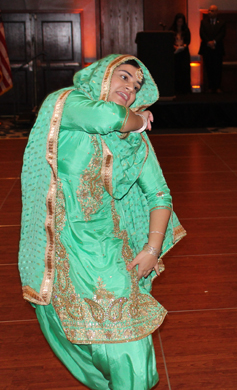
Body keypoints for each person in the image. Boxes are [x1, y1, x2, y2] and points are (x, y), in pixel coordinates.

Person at [19, 54, 186, 390]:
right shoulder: (65, 105)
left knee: (132, 360)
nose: (130, 88)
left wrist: (152, 248)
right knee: (77, 347)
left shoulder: (134, 140)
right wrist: (137, 120)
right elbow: (106, 116)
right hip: (60, 260)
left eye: (137, 86)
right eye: (123, 77)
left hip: (110, 259)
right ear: (100, 75)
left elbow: (160, 196)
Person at [198, 4, 226, 93]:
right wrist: (209, 42)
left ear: (216, 12)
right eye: (209, 10)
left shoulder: (222, 22)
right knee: (208, 68)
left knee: (217, 68)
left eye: (212, 11)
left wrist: (214, 42)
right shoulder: (204, 22)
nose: (210, 12)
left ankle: (217, 87)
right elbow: (202, 33)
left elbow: (222, 34)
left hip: (217, 49)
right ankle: (210, 87)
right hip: (207, 49)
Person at [169, 13, 192, 94]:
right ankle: (176, 89)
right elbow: (169, 40)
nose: (180, 23)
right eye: (178, 22)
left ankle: (185, 90)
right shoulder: (171, 30)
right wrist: (174, 46)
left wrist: (184, 45)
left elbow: (188, 40)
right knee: (176, 70)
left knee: (184, 71)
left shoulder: (186, 30)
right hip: (175, 53)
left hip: (184, 53)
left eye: (181, 22)